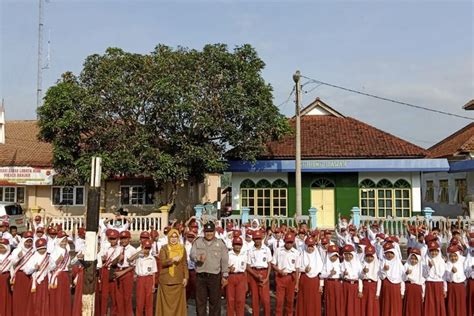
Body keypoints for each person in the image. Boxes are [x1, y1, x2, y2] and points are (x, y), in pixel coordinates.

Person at [191, 221, 229, 316]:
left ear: (214, 231)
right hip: (201, 276)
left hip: (214, 276)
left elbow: (224, 260)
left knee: (215, 303)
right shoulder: (198, 241)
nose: (209, 234)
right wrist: (198, 258)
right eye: (207, 231)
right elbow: (192, 254)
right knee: (200, 302)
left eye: (211, 231)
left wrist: (225, 275)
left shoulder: (220, 243)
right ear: (204, 232)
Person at [156, 228, 188, 316]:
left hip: (178, 280)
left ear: (178, 238)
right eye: (171, 237)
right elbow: (162, 262)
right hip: (166, 280)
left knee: (178, 305)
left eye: (175, 237)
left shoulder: (182, 248)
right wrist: (172, 259)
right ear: (168, 238)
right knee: (165, 305)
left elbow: (184, 263)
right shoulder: (164, 248)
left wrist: (186, 277)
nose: (173, 239)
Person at [272, 232, 299, 316]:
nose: (289, 244)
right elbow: (273, 264)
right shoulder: (278, 250)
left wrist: (297, 283)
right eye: (287, 242)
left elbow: (297, 268)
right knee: (279, 301)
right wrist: (278, 270)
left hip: (291, 277)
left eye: (291, 242)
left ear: (293, 242)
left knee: (290, 301)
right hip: (280, 277)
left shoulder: (296, 252)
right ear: (284, 241)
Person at [246, 230, 272, 316]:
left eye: (259, 238)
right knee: (255, 298)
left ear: (261, 239)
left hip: (264, 273)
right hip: (254, 274)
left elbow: (269, 264)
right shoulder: (250, 250)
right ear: (253, 239)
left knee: (266, 299)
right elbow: (248, 266)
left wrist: (267, 277)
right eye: (256, 238)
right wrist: (255, 275)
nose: (257, 240)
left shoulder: (266, 249)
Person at [97, 229, 122, 316]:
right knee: (104, 295)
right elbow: (101, 258)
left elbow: (117, 262)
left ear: (117, 239)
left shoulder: (120, 249)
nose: (112, 240)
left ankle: (114, 313)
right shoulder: (106, 248)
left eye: (114, 238)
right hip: (105, 271)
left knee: (114, 295)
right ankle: (103, 313)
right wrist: (102, 258)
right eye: (111, 238)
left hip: (114, 271)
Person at [296, 236, 324, 316]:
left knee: (314, 300)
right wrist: (304, 270)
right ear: (306, 246)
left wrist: (321, 285)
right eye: (309, 246)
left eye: (312, 246)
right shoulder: (301, 255)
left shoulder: (317, 257)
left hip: (315, 282)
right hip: (304, 280)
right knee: (304, 300)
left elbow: (320, 272)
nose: (310, 248)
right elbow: (297, 268)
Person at [25, 238, 52, 316]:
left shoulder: (49, 257)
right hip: (35, 282)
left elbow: (52, 268)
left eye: (44, 248)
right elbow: (27, 271)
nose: (42, 250)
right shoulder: (33, 257)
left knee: (45, 300)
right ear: (37, 249)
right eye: (40, 249)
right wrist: (34, 267)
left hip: (46, 280)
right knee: (35, 300)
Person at [10, 230, 35, 315]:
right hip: (20, 276)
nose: (28, 244)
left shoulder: (34, 251)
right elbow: (12, 263)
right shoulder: (17, 250)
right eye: (27, 242)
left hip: (32, 276)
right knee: (20, 297)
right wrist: (18, 257)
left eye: (30, 242)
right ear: (23, 241)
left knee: (29, 298)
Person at [49, 230, 72, 316]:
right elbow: (50, 267)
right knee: (58, 296)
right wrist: (57, 261)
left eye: (65, 240)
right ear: (58, 240)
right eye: (63, 240)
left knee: (65, 297)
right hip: (57, 276)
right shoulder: (55, 251)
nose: (64, 242)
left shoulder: (66, 250)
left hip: (65, 275)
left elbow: (68, 264)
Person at [379, 242, 404, 316]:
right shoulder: (383, 262)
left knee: (395, 305)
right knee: (386, 304)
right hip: (386, 287)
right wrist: (384, 270)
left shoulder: (399, 264)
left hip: (396, 288)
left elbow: (402, 278)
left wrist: (402, 291)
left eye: (391, 253)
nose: (389, 255)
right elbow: (381, 277)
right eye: (387, 253)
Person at [133, 239, 157, 316]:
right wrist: (140, 252)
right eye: (145, 248)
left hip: (149, 279)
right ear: (142, 247)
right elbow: (129, 259)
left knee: (149, 301)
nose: (147, 250)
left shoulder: (152, 259)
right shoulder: (138, 257)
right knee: (140, 300)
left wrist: (153, 284)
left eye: (148, 248)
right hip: (141, 279)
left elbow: (153, 272)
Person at [423, 240, 446, 316]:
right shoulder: (425, 260)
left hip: (439, 284)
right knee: (430, 302)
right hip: (429, 284)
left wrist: (445, 289)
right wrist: (429, 267)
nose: (434, 253)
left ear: (438, 251)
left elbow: (443, 275)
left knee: (438, 302)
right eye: (432, 251)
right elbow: (424, 275)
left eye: (436, 251)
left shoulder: (441, 261)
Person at [117, 230, 136, 316]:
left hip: (127, 272)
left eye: (125, 238)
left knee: (127, 297)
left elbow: (133, 265)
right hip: (118, 271)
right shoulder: (118, 248)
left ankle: (128, 314)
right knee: (119, 297)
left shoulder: (132, 250)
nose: (123, 241)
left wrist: (123, 273)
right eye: (122, 238)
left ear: (129, 239)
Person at [226, 236, 247, 316]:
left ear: (241, 245)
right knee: (230, 300)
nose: (237, 246)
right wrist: (228, 270)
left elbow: (245, 269)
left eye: (239, 244)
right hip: (231, 277)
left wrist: (246, 283)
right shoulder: (228, 254)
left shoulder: (244, 255)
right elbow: (223, 267)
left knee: (240, 300)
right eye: (236, 244)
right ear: (233, 245)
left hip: (241, 277)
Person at [320, 244, 342, 316]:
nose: (334, 258)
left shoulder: (339, 264)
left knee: (338, 301)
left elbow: (341, 274)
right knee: (330, 301)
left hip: (338, 284)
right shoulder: (325, 264)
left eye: (335, 256)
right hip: (329, 283)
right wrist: (329, 273)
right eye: (332, 256)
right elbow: (321, 275)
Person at [341, 244, 362, 316]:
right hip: (346, 285)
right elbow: (340, 276)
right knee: (346, 303)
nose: (348, 256)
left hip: (355, 286)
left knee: (355, 304)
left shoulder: (357, 264)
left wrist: (360, 290)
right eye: (346, 254)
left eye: (350, 254)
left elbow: (360, 278)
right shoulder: (342, 264)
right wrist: (343, 274)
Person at [445, 245, 467, 316]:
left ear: (458, 255)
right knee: (451, 304)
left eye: (455, 256)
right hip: (451, 287)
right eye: (451, 256)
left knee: (460, 304)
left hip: (460, 287)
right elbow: (447, 278)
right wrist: (451, 272)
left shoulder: (462, 263)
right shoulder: (447, 265)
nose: (453, 258)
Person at [403, 248, 425, 316]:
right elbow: (402, 279)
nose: (413, 261)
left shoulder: (421, 267)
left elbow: (422, 282)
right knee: (408, 306)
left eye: (415, 259)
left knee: (416, 307)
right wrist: (406, 273)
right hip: (408, 288)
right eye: (412, 258)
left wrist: (423, 294)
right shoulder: (406, 265)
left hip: (417, 290)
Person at [360, 244, 380, 316]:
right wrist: (363, 272)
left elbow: (379, 280)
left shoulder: (377, 265)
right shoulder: (362, 264)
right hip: (364, 286)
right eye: (367, 256)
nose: (369, 258)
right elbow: (360, 278)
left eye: (371, 257)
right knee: (364, 304)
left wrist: (378, 293)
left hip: (373, 286)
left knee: (372, 305)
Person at [0, 238, 12, 316]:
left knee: (6, 296)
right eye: (0, 247)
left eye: (3, 247)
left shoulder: (10, 257)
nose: (1, 249)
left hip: (6, 278)